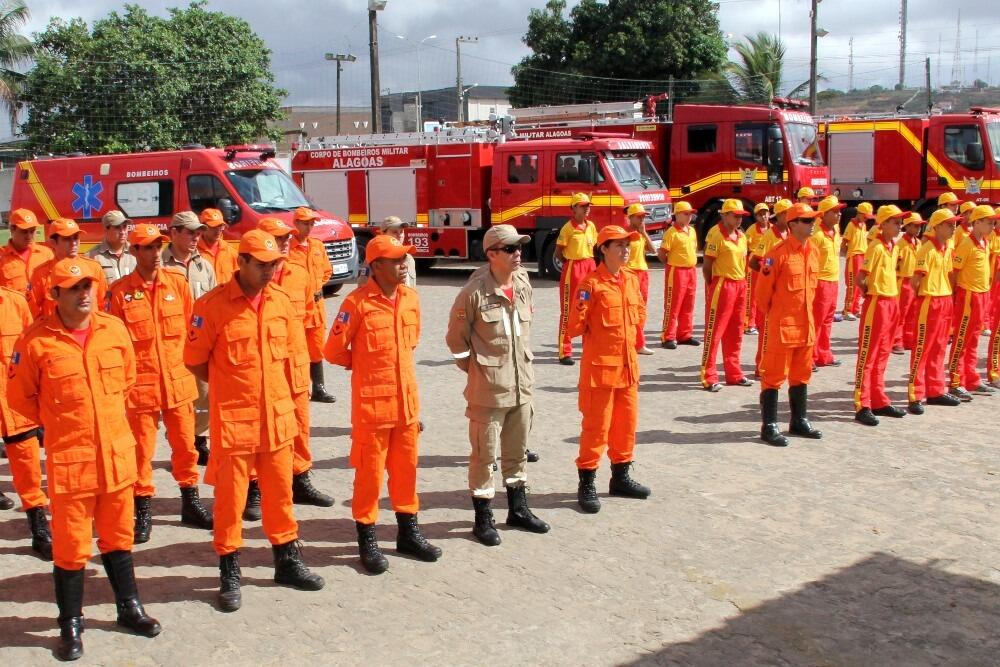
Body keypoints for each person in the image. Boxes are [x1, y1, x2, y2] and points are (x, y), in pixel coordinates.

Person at [7, 258, 161, 661]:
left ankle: (129, 608)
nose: (84, 293)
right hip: (72, 462)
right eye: (74, 287)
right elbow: (20, 398)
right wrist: (62, 425)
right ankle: (69, 625)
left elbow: (127, 380)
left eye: (89, 285)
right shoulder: (36, 341)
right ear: (54, 294)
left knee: (119, 539)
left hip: (116, 458)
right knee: (72, 549)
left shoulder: (114, 331)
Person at [184, 229, 324, 612]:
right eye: (261, 265)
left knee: (281, 495)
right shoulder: (211, 306)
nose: (269, 271)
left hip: (277, 419)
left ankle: (287, 561)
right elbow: (194, 359)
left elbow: (294, 357)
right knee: (230, 502)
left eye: (274, 264)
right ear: (241, 261)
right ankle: (229, 570)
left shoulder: (280, 302)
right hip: (235, 421)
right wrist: (232, 383)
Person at [324, 234, 441, 574]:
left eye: (404, 258)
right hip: (372, 408)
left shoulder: (411, 300)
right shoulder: (356, 304)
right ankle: (368, 539)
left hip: (406, 405)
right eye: (395, 260)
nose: (403, 265)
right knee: (370, 476)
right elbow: (332, 351)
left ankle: (408, 533)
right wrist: (360, 363)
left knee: (406, 471)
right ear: (376, 266)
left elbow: (412, 342)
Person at [106, 224, 212, 544]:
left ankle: (190, 502)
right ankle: (143, 510)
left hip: (178, 382)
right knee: (141, 453)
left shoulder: (177, 284)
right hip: (141, 386)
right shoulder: (120, 292)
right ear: (134, 251)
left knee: (186, 446)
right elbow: (114, 342)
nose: (154, 253)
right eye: (146, 248)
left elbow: (191, 331)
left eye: (157, 247)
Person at [445, 224, 549, 546]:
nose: (518, 253)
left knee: (516, 453)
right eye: (510, 248)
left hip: (521, 385)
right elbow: (456, 342)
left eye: (520, 247)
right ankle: (483, 517)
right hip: (488, 391)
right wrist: (478, 371)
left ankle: (518, 509)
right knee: (484, 455)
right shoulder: (473, 293)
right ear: (492, 254)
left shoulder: (523, 282)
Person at [568, 225, 649, 514]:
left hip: (628, 370)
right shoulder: (591, 285)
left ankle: (621, 477)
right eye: (620, 245)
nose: (626, 250)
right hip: (600, 371)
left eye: (628, 245)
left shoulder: (630, 279)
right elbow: (574, 326)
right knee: (595, 429)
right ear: (603, 249)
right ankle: (587, 483)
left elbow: (639, 313)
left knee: (626, 427)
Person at [257, 216, 334, 507]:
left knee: (300, 424)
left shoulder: (299, 275)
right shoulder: (248, 281)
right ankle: (255, 487)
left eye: (287, 237)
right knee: (259, 426)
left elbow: (308, 322)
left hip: (297, 367)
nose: (287, 242)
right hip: (266, 368)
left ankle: (300, 479)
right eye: (279, 238)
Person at [755, 203, 824, 446]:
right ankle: (770, 425)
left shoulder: (813, 251)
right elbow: (762, 296)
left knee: (801, 375)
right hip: (783, 327)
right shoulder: (777, 254)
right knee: (773, 376)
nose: (812, 224)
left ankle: (799, 420)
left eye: (813, 219)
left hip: (806, 326)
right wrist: (777, 317)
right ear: (792, 224)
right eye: (806, 220)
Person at [0, 285, 51, 559]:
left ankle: (38, 527)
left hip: (13, 399)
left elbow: (32, 351)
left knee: (28, 467)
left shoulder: (15, 302)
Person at [165, 211, 217, 467]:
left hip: (200, 342)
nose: (197, 237)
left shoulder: (204, 265)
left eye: (199, 232)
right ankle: (180, 444)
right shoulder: (162, 264)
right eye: (190, 232)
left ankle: (198, 439)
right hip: (171, 343)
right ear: (173, 233)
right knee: (176, 399)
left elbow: (215, 302)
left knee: (204, 395)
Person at [853, 205, 907, 426]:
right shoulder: (876, 247)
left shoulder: (893, 246)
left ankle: (878, 399)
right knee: (868, 353)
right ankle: (862, 403)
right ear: (883, 224)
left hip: (891, 301)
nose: (899, 226)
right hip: (878, 302)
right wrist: (869, 293)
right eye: (895, 222)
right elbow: (860, 278)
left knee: (883, 353)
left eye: (899, 222)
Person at [906, 209, 962, 413]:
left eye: (954, 223)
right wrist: (924, 299)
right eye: (949, 224)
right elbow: (915, 281)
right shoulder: (927, 249)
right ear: (937, 226)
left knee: (939, 347)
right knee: (922, 348)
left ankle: (936, 390)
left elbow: (949, 275)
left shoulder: (947, 248)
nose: (953, 227)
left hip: (944, 298)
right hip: (929, 301)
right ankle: (915, 394)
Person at [947, 204, 999, 400]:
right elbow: (955, 272)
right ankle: (955, 381)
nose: (993, 226)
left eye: (994, 222)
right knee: (962, 339)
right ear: (976, 223)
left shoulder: (985, 242)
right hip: (968, 295)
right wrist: (956, 294)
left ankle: (972, 379)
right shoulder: (966, 244)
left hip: (982, 294)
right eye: (988, 222)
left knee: (974, 339)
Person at [700, 199, 752, 391]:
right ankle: (708, 375)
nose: (739, 219)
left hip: (739, 284)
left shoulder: (742, 236)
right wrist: (712, 287)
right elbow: (707, 266)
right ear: (725, 215)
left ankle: (734, 372)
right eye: (735, 216)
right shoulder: (716, 234)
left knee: (736, 331)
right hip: (722, 284)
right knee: (714, 331)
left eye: (741, 216)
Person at [288, 207, 337, 404]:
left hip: (316, 305)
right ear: (296, 223)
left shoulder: (317, 246)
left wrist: (314, 288)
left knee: (316, 347)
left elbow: (327, 271)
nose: (309, 227)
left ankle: (318, 387)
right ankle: (298, 387)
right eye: (305, 223)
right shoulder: (288, 248)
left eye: (311, 223)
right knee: (297, 348)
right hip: (297, 307)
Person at [27, 218, 108, 320]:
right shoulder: (40, 273)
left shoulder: (93, 267)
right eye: (66, 239)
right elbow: (32, 311)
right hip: (56, 332)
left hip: (91, 331)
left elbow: (103, 305)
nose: (73, 243)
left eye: (75, 238)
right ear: (53, 243)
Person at [555, 193, 598, 365]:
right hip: (573, 268)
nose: (587, 208)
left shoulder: (591, 226)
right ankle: (564, 351)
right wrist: (570, 263)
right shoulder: (567, 228)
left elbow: (593, 245)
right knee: (569, 309)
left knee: (589, 307)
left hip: (589, 265)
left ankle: (590, 348)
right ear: (573, 208)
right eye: (582, 205)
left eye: (588, 205)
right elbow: (558, 252)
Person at [749, 199, 791, 375]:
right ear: (780, 215)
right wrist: (769, 278)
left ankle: (779, 364)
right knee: (766, 329)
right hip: (771, 289)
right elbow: (754, 262)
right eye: (789, 214)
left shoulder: (790, 233)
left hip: (785, 290)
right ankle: (762, 366)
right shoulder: (769, 236)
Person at [657, 201, 699, 349]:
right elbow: (662, 253)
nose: (689, 216)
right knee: (673, 304)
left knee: (689, 304)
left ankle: (684, 335)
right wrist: (671, 264)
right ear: (677, 215)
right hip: (677, 271)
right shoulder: (671, 232)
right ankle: (668, 336)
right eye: (686, 214)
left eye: (690, 214)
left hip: (691, 271)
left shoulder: (691, 231)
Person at [812, 196, 844, 368]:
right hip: (820, 282)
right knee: (816, 321)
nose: (839, 215)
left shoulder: (836, 229)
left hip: (833, 281)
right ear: (823, 214)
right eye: (835, 212)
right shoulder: (816, 235)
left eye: (839, 211)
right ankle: (809, 356)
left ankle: (824, 354)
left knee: (827, 321)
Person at [0, 208, 54, 297]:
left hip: (42, 310)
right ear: (12, 230)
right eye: (24, 231)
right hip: (15, 310)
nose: (29, 236)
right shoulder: (2, 257)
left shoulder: (46, 254)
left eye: (32, 231)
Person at [624, 203, 655, 354]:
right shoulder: (625, 234)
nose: (643, 219)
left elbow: (653, 250)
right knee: (632, 308)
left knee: (642, 309)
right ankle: (636, 342)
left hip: (643, 273)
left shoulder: (641, 233)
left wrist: (644, 233)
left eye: (644, 217)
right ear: (630, 218)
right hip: (631, 273)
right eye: (639, 217)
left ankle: (638, 341)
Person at [358, 216, 416, 288]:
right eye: (394, 232)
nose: (400, 235)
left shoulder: (409, 258)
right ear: (383, 233)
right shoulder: (375, 259)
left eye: (401, 232)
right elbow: (363, 287)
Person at [893, 212, 923, 354]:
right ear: (908, 226)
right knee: (901, 313)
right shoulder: (900, 244)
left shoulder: (919, 243)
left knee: (913, 312)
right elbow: (895, 265)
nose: (918, 229)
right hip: (903, 281)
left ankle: (909, 339)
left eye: (920, 226)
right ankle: (896, 341)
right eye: (915, 226)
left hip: (914, 281)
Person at [841, 202, 875, 320]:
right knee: (851, 285)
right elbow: (844, 242)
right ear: (859, 214)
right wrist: (846, 255)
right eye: (865, 216)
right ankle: (847, 310)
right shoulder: (851, 225)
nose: (866, 219)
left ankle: (856, 309)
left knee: (859, 285)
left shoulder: (863, 225)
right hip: (853, 256)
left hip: (862, 256)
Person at [86, 210, 136, 284]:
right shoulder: (91, 257)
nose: (123, 232)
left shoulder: (136, 252)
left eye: (125, 227)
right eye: (117, 227)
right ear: (106, 229)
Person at [743, 202, 771, 335]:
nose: (763, 216)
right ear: (756, 217)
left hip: (768, 264)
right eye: (760, 214)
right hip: (754, 265)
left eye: (765, 213)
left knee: (764, 294)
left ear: (769, 214)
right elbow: (745, 248)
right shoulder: (751, 230)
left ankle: (761, 322)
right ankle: (749, 324)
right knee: (752, 295)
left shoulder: (772, 229)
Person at [197, 208, 239, 287]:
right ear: (203, 227)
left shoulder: (231, 252)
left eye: (221, 226)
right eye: (213, 227)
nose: (218, 230)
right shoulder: (193, 252)